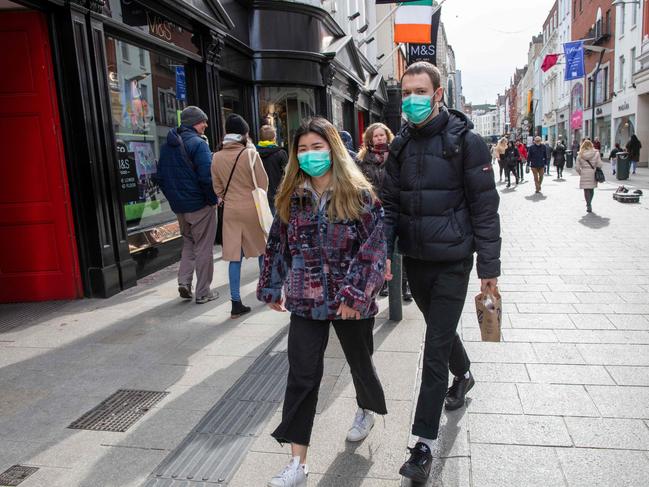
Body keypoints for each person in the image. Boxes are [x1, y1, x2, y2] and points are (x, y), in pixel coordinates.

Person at [382, 61, 501, 484]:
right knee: (440, 329)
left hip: (453, 259)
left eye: (420, 90)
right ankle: (465, 375)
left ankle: (423, 445)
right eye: (406, 91)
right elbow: (390, 206)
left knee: (432, 351)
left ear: (437, 93)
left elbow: (485, 208)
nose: (412, 99)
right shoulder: (399, 146)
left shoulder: (465, 142)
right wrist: (383, 255)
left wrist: (489, 268)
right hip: (417, 258)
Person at [257, 117, 387, 487]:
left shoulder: (359, 195)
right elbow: (277, 243)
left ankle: (366, 407)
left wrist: (355, 295)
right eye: (303, 149)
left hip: (350, 301)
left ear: (333, 148)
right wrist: (272, 285)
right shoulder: (291, 196)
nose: (310, 155)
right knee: (301, 375)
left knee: (360, 362)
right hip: (306, 298)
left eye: (317, 147)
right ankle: (298, 464)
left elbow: (375, 248)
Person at [157, 106, 218, 304]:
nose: (206, 125)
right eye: (203, 122)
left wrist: (175, 200)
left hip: (180, 207)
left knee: (189, 243)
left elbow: (161, 178)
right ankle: (203, 292)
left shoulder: (167, 146)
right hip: (200, 205)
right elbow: (207, 178)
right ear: (194, 122)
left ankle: (184, 281)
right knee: (204, 247)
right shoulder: (199, 145)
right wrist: (212, 200)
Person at [212, 114, 269, 318]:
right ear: (244, 133)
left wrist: (227, 196)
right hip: (252, 208)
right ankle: (263, 292)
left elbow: (217, 187)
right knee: (262, 250)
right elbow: (262, 183)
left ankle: (236, 302)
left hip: (230, 210)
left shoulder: (216, 156)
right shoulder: (251, 154)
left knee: (234, 257)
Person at [357, 123, 412, 302]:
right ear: (370, 139)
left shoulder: (397, 155)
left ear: (388, 136)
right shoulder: (362, 159)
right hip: (373, 210)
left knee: (399, 248)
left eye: (382, 135)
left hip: (396, 207)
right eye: (376, 136)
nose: (379, 138)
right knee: (379, 249)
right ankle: (383, 284)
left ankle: (405, 286)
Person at [257, 124, 289, 215]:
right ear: (274, 137)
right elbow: (287, 174)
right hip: (278, 194)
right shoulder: (281, 153)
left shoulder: (254, 153)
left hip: (260, 195)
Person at [575, 139, 603, 213]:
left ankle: (588, 204)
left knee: (586, 189)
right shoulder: (596, 153)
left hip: (584, 172)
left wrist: (581, 173)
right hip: (592, 173)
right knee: (591, 189)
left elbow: (577, 167)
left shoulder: (580, 154)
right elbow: (600, 164)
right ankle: (589, 203)